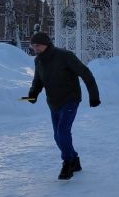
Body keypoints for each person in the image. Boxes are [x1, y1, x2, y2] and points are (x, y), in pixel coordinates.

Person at [27, 32, 101, 180]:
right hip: (53, 102)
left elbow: (86, 73)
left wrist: (94, 96)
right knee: (57, 136)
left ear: (46, 44)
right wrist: (33, 93)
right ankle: (74, 159)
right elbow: (38, 80)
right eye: (33, 46)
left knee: (62, 132)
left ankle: (68, 162)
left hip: (70, 99)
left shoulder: (65, 56)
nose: (35, 48)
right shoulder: (38, 61)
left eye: (38, 45)